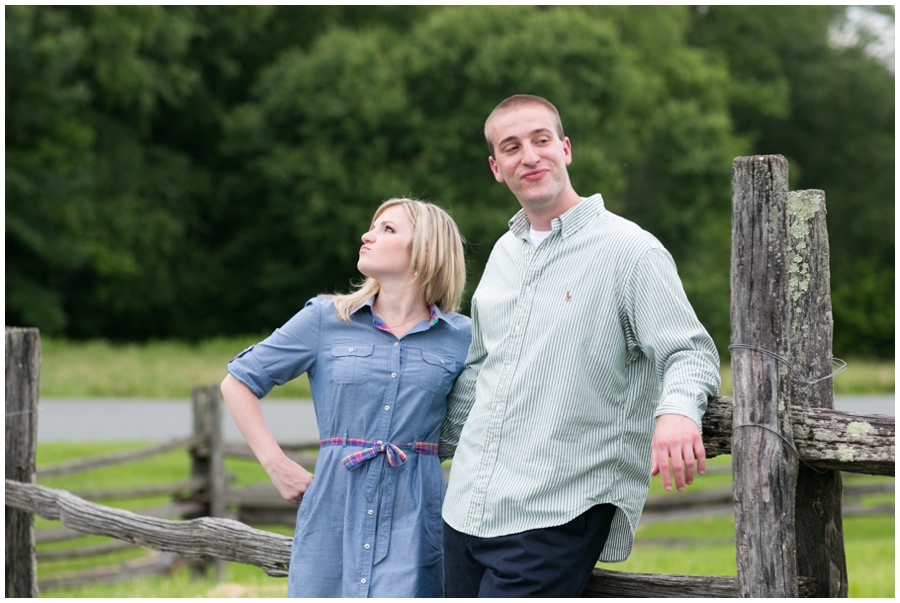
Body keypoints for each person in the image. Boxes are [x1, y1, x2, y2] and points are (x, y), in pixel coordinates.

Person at [438, 95, 721, 597]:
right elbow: (480, 370)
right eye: (511, 147)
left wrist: (677, 412)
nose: (529, 156)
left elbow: (689, 351)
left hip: (556, 508)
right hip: (465, 509)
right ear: (496, 168)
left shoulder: (630, 250)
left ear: (565, 149)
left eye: (541, 140)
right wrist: (420, 445)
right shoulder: (505, 253)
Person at [222, 198, 471, 598]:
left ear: (426, 250)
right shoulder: (325, 319)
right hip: (333, 507)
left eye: (387, 229)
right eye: (373, 227)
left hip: (416, 512)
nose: (366, 236)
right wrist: (276, 464)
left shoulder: (464, 338)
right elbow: (237, 383)